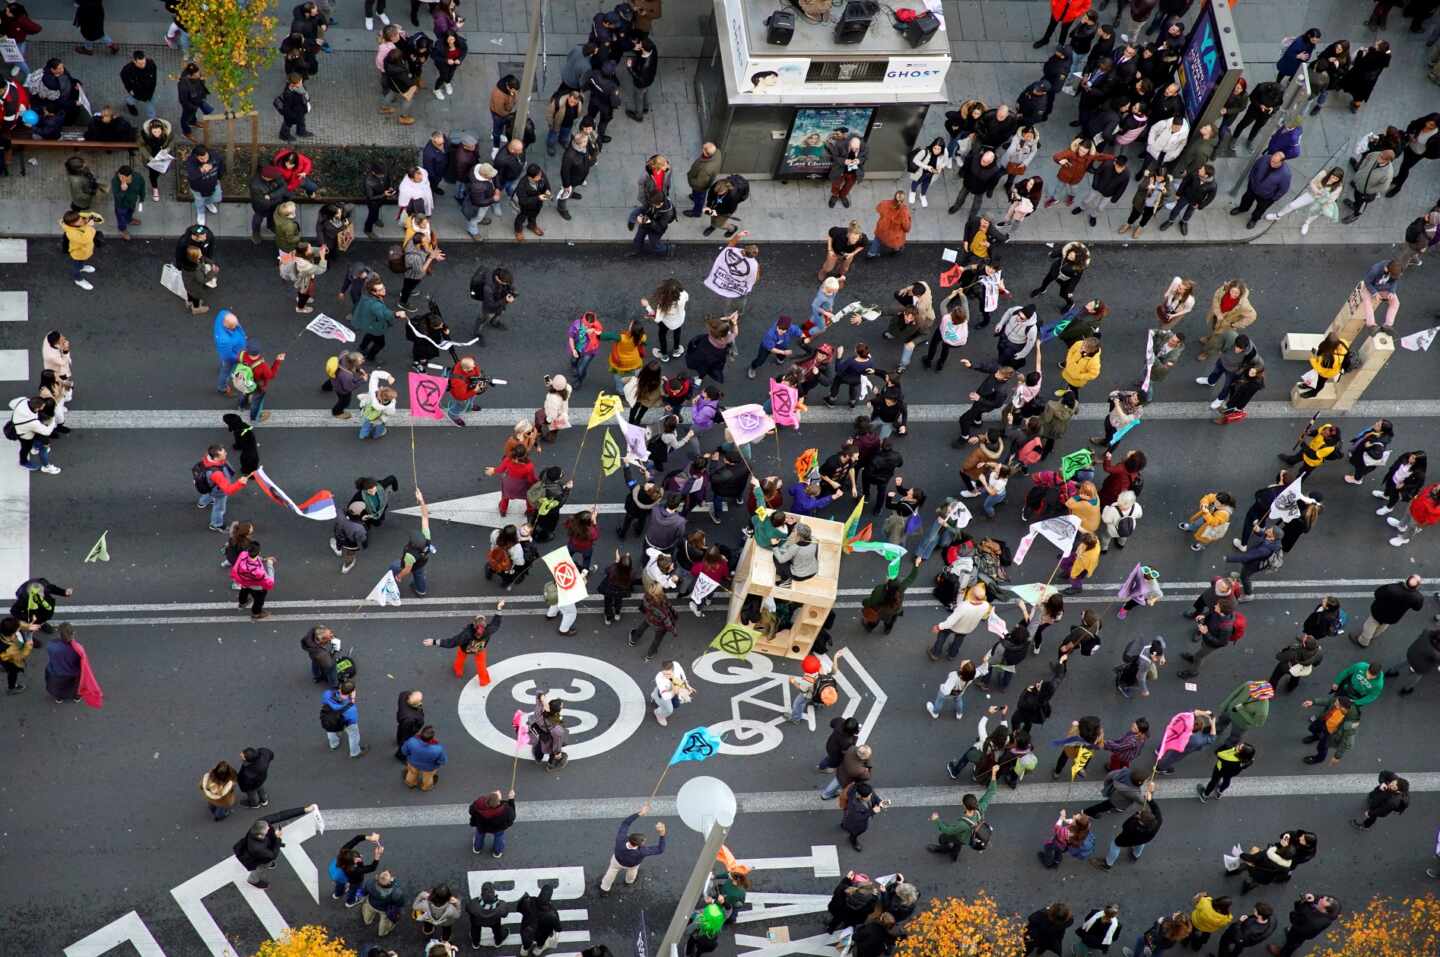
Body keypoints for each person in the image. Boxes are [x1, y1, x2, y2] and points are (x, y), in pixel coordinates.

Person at [232, 803, 319, 889]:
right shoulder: (257, 848)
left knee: (268, 862)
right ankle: (253, 880)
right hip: (259, 859)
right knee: (261, 867)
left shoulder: (261, 823)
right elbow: (273, 855)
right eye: (267, 829)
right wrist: (278, 838)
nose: (269, 827)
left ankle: (268, 864)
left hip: (264, 851)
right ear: (260, 835)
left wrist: (304, 810)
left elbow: (280, 815)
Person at [422, 605, 504, 685]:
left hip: (465, 649)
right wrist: (499, 608)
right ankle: (484, 680)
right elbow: (496, 623)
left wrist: (434, 642)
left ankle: (458, 670)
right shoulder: (489, 630)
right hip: (480, 649)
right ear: (485, 624)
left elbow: (451, 642)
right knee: (481, 664)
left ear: (473, 623)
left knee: (460, 658)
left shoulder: (466, 634)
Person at [598, 803, 667, 894]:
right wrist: (662, 833)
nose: (644, 842)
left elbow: (625, 823)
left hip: (617, 861)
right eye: (643, 841)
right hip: (632, 865)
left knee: (611, 873)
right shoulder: (642, 851)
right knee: (632, 873)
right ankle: (628, 882)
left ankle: (604, 888)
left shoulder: (621, 839)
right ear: (638, 845)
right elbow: (660, 849)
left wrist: (639, 813)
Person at [1353, 575, 1424, 647]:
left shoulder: (1392, 588)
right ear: (1417, 586)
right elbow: (1417, 608)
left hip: (1379, 611)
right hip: (1393, 616)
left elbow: (1377, 593)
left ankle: (1363, 642)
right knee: (1382, 626)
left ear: (1407, 580)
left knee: (1370, 626)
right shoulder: (1417, 597)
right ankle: (1373, 636)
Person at [1230, 152, 1291, 230]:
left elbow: (1283, 189)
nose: (1271, 163)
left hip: (1266, 197)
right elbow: (1254, 168)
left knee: (1260, 209)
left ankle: (1254, 219)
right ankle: (1242, 208)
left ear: (1281, 162)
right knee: (1246, 199)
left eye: (1274, 162)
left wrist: (1272, 199)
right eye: (1271, 160)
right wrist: (1251, 180)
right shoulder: (1265, 158)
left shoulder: (1285, 174)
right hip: (1253, 187)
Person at [1266, 895, 1339, 957]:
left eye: (1323, 900)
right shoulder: (1332, 912)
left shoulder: (1312, 920)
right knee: (1295, 939)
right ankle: (1292, 939)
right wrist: (1314, 897)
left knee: (1291, 944)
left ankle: (1283, 954)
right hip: (1304, 931)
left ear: (1325, 909)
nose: (1322, 898)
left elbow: (1297, 921)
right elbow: (1321, 898)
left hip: (1300, 932)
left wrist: (1304, 904)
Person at [389, 490, 432, 596]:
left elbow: (407, 570)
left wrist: (399, 576)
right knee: (419, 574)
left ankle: (391, 585)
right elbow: (425, 517)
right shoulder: (426, 538)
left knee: (393, 567)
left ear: (412, 544)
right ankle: (421, 591)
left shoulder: (410, 555)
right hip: (422, 561)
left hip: (413, 563)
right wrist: (421, 500)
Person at [321, 680, 367, 758]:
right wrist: (352, 700)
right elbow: (352, 721)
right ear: (351, 693)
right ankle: (355, 752)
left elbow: (326, 702)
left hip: (329, 718)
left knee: (331, 730)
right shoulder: (351, 709)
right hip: (343, 721)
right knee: (353, 734)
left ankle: (334, 744)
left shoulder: (327, 694)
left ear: (340, 687)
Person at [400, 725, 447, 791]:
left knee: (412, 773)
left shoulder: (411, 741)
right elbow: (442, 761)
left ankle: (410, 783)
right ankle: (426, 787)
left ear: (421, 734)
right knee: (428, 777)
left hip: (413, 762)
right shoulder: (438, 749)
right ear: (432, 738)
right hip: (429, 767)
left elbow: (404, 751)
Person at [826, 134, 867, 208]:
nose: (854, 150)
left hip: (854, 171)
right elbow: (834, 157)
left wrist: (858, 160)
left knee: (849, 185)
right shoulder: (839, 145)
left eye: (856, 149)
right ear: (849, 143)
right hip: (840, 170)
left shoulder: (864, 146)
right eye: (852, 148)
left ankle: (843, 196)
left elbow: (865, 157)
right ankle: (835, 195)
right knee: (836, 184)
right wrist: (844, 161)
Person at [465, 882, 509, 948]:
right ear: (494, 893)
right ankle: (498, 942)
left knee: (475, 931)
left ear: (482, 893)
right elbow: (505, 914)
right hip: (494, 922)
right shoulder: (501, 906)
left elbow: (467, 909)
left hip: (477, 921)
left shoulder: (473, 903)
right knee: (497, 931)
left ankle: (475, 944)